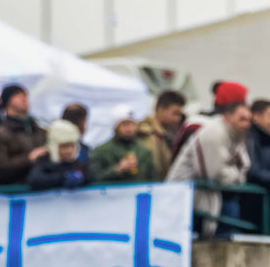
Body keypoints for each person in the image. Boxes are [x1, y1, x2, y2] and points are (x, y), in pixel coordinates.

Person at [166, 100, 252, 238]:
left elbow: (245, 167)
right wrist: (235, 173)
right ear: (227, 117)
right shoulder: (214, 132)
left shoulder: (238, 135)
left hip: (209, 198)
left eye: (248, 120)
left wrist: (232, 173)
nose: (246, 124)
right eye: (241, 119)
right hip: (185, 199)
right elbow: (214, 175)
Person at [0, 84, 48, 186]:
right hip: (13, 191)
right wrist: (28, 158)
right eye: (17, 94)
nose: (23, 98)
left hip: (43, 189)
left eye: (25, 95)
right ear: (7, 101)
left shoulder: (40, 131)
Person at [88, 105, 154, 185]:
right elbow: (94, 179)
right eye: (125, 124)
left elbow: (153, 179)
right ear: (116, 127)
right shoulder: (101, 151)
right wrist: (116, 170)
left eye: (132, 124)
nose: (129, 129)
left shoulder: (144, 150)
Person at [26, 121, 90, 191]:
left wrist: (82, 178)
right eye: (64, 146)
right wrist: (62, 177)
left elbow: (90, 177)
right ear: (55, 147)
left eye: (72, 145)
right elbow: (35, 180)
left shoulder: (77, 163)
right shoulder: (45, 162)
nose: (69, 151)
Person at [137, 90, 186, 181]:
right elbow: (154, 170)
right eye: (175, 113)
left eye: (180, 115)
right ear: (160, 110)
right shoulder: (149, 134)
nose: (178, 119)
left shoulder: (167, 133)